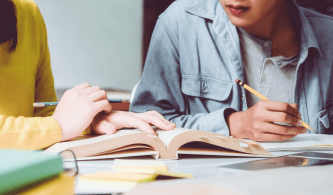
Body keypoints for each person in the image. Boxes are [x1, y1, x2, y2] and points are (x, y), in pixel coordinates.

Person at [0, 0, 175, 150]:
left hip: (22, 184)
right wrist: (57, 127)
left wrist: (91, 122)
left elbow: (46, 117)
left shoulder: (28, 15)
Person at [130, 0, 333, 141]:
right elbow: (142, 127)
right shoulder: (180, 21)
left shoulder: (328, 36)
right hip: (207, 191)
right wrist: (235, 125)